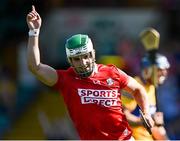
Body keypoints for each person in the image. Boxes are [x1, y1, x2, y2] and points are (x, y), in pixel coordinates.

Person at [26, 5, 154, 140]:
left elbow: (138, 89)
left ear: (93, 54)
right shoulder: (66, 79)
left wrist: (146, 113)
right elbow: (35, 67)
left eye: (86, 56)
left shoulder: (112, 72)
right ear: (70, 61)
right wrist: (34, 32)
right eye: (76, 59)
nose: (83, 62)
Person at [122, 53, 170, 140]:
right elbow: (122, 117)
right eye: (159, 69)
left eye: (165, 69)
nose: (164, 73)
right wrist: (147, 121)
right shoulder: (134, 87)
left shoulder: (152, 87)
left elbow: (155, 128)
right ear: (147, 71)